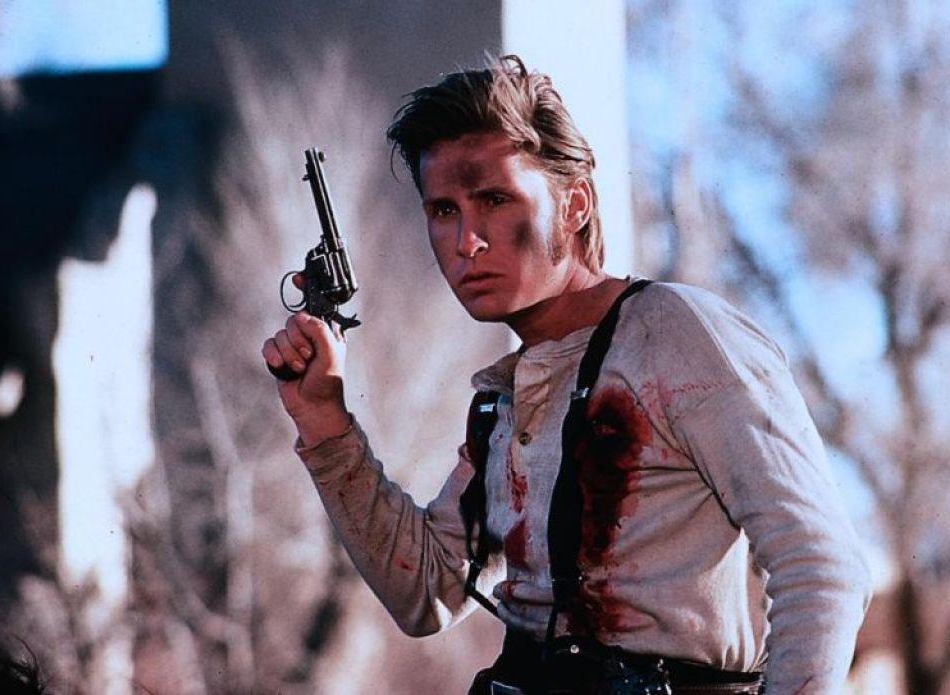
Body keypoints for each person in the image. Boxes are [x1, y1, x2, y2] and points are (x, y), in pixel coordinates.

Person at [261, 55, 871, 695]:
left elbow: (821, 568)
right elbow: (427, 592)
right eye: (443, 210)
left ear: (574, 204)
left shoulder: (676, 334)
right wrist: (324, 421)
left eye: (495, 200)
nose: (467, 241)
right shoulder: (510, 396)